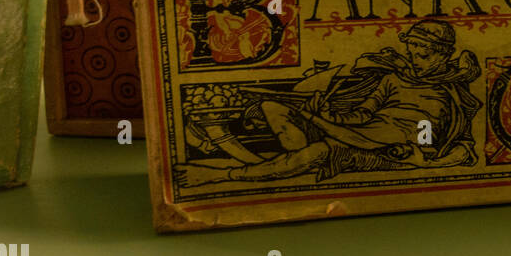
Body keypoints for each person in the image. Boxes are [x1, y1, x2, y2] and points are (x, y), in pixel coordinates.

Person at [177, 20, 481, 186]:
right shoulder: (393, 78)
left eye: (423, 52)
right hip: (360, 133)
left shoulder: (452, 89)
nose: (415, 57)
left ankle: (219, 175)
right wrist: (327, 115)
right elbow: (363, 114)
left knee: (319, 151)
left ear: (442, 53)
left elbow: (462, 143)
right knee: (274, 108)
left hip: (391, 147)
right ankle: (283, 166)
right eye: (413, 49)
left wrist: (429, 159)